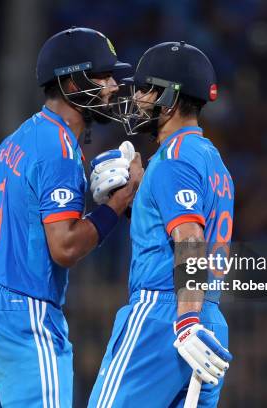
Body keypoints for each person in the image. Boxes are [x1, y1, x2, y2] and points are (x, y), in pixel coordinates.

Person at [0, 27, 143, 408]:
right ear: (73, 83)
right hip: (26, 314)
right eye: (102, 76)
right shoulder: (59, 148)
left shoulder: (19, 138)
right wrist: (118, 204)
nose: (111, 87)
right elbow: (65, 247)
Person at [87, 41, 234, 408]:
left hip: (163, 314)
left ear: (168, 98)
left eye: (144, 88)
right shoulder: (211, 161)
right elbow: (176, 231)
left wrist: (184, 323)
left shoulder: (173, 161)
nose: (135, 98)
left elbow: (189, 239)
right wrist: (130, 203)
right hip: (209, 315)